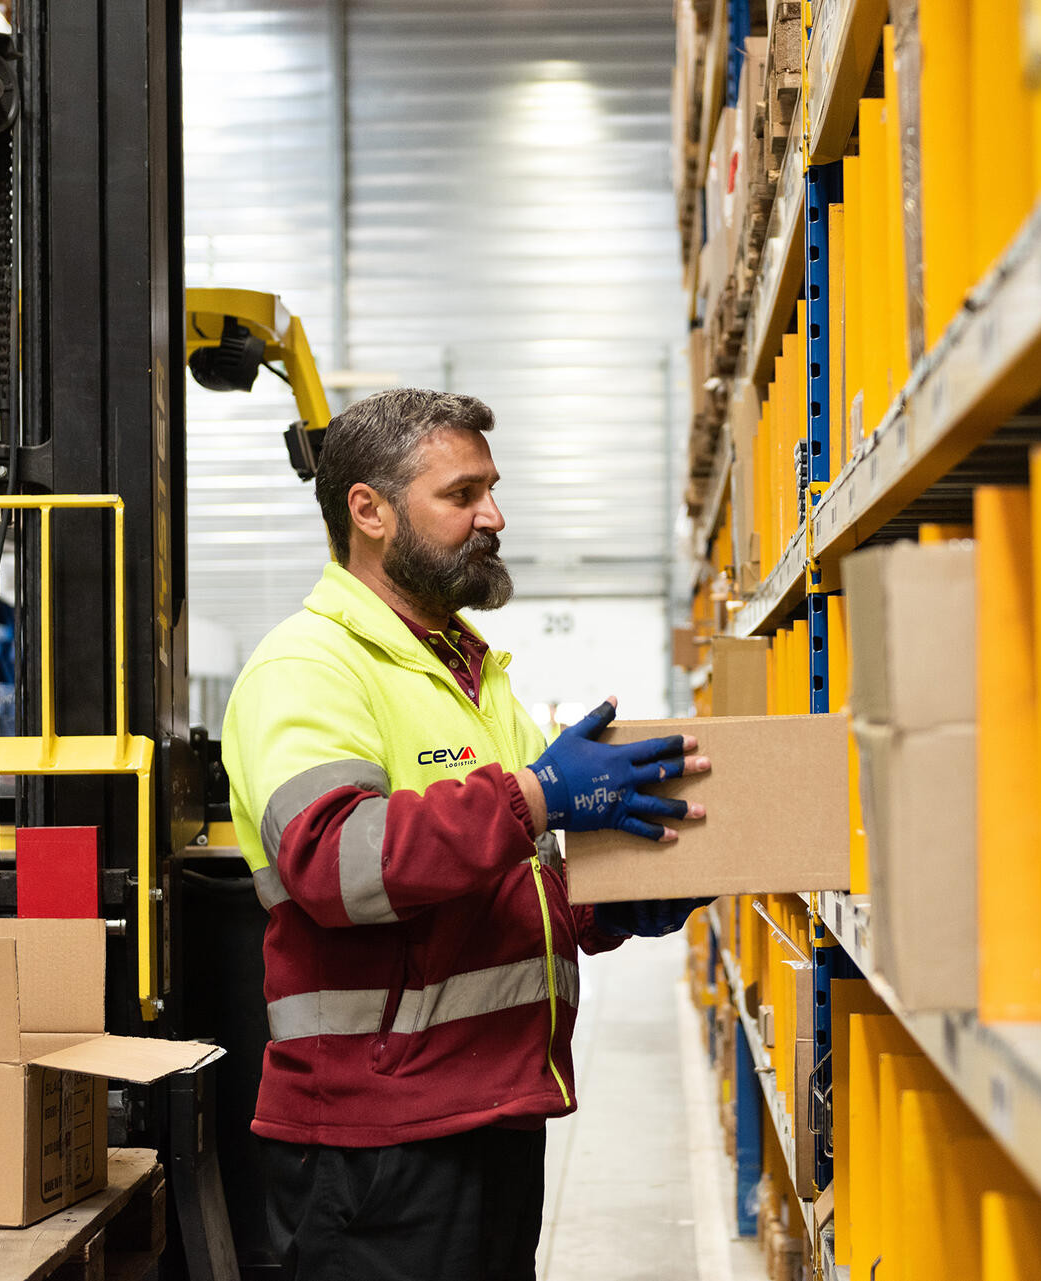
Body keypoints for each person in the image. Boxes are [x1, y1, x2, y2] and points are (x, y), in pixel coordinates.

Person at [221, 387, 713, 1280]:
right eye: (462, 494)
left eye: (492, 489)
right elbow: (338, 863)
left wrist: (612, 904)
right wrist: (535, 792)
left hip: (492, 1112)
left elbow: (512, 877)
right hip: (375, 1142)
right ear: (367, 509)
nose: (494, 514)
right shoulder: (307, 667)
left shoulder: (468, 673)